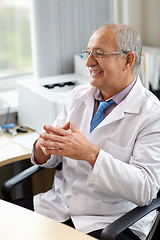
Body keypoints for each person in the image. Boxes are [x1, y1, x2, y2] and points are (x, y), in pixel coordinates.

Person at [13, 23, 160, 240]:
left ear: (128, 60)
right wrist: (42, 147)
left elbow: (146, 189)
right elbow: (53, 157)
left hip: (112, 222)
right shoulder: (78, 96)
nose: (89, 62)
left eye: (99, 54)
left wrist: (92, 155)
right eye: (88, 53)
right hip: (59, 207)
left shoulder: (152, 114)